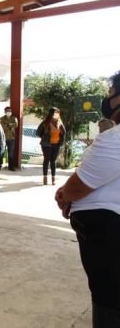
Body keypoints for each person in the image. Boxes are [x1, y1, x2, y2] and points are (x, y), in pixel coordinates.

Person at [55, 70, 120, 327]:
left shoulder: (115, 138)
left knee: (109, 298)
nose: (108, 99)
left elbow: (83, 183)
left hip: (108, 233)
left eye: (111, 94)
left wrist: (64, 194)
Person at [37, 107, 66, 185]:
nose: (56, 114)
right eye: (55, 112)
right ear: (51, 114)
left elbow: (63, 133)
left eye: (58, 113)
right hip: (46, 144)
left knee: (53, 161)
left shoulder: (60, 123)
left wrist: (61, 142)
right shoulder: (45, 123)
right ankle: (45, 178)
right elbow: (38, 132)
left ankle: (53, 179)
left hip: (56, 144)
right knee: (46, 160)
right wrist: (45, 137)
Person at [0, 106, 19, 171]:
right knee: (1, 152)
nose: (9, 112)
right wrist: (10, 125)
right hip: (3, 138)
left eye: (10, 111)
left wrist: (7, 124)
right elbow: (2, 126)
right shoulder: (1, 118)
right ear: (5, 112)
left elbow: (16, 124)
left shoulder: (14, 118)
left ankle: (11, 166)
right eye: (7, 111)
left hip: (11, 138)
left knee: (11, 153)